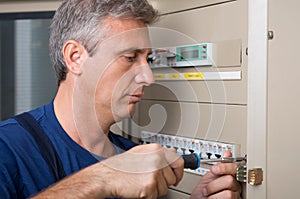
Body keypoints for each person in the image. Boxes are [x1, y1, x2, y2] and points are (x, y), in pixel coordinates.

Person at [0, 0, 241, 198]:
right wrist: (103, 178)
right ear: (75, 57)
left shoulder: (135, 159)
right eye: (129, 57)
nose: (148, 77)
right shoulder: (9, 148)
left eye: (148, 60)